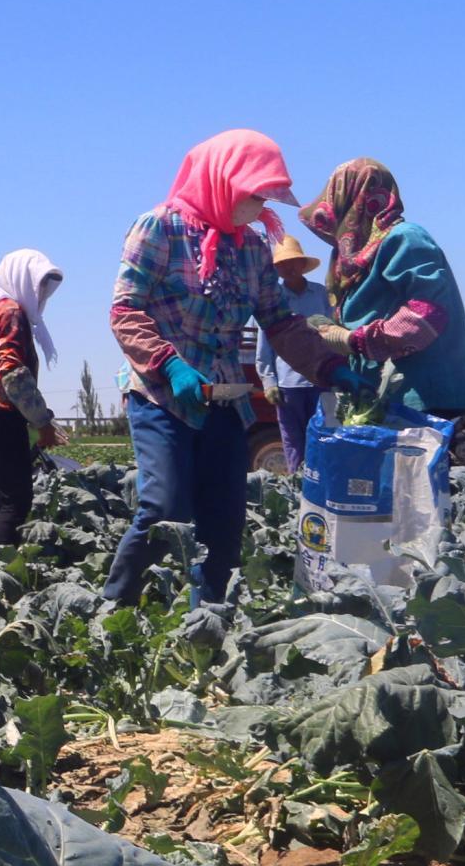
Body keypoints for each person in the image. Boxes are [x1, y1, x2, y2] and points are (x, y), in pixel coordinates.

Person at [104, 130, 358, 606]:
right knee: (165, 508)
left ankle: (213, 617)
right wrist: (170, 366)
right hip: (162, 395)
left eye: (265, 195)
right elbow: (124, 311)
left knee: (225, 516)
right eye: (254, 192)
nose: (259, 203)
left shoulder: (252, 249)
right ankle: (116, 606)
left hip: (224, 399)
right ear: (222, 180)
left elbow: (279, 324)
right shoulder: (159, 229)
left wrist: (329, 367)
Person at [301, 159, 465, 422]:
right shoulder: (356, 258)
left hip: (427, 400)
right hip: (385, 398)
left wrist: (355, 341)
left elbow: (427, 314)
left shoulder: (404, 238)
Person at [0, 251, 65, 546]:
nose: (42, 292)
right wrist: (42, 421)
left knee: (2, 498)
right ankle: (2, 575)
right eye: (39, 284)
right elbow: (14, 374)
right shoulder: (10, 313)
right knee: (16, 502)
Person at [255, 233, 334, 474]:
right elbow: (264, 345)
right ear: (275, 269)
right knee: (292, 441)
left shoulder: (321, 294)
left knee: (324, 437)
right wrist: (269, 382)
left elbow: (334, 334)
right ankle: (298, 488)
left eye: (292, 262)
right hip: (288, 384)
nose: (288, 268)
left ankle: (321, 489)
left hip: (322, 380)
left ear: (303, 264)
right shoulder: (271, 299)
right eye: (281, 264)